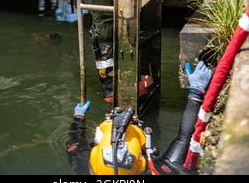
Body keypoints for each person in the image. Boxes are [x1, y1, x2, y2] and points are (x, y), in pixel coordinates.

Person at [66, 61, 212, 175]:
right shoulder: (160, 170)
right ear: (142, 158)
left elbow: (75, 142)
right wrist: (196, 92)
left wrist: (79, 116)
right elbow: (184, 138)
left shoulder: (83, 165)